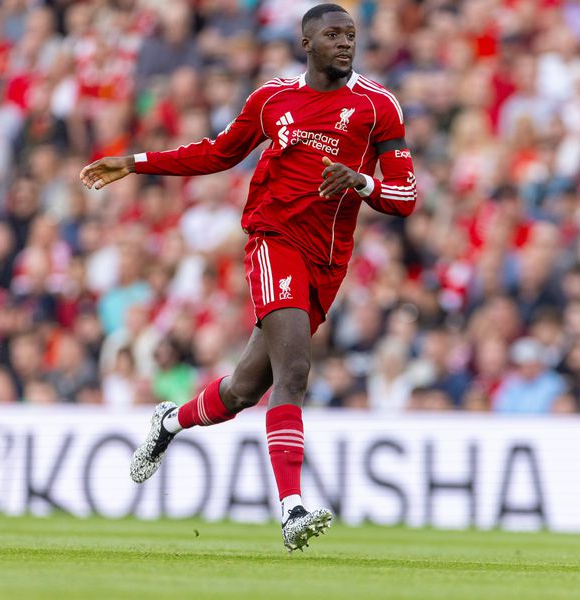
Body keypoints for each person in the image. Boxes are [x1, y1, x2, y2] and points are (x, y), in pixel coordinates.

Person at [79, 3, 416, 552]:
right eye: (332, 35)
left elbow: (406, 196)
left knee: (242, 390)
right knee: (295, 370)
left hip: (327, 260)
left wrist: (361, 182)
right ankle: (292, 509)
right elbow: (217, 153)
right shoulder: (272, 99)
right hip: (273, 241)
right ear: (306, 43)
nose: (345, 44)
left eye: (351, 35)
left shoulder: (378, 107)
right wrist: (136, 162)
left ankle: (169, 422)